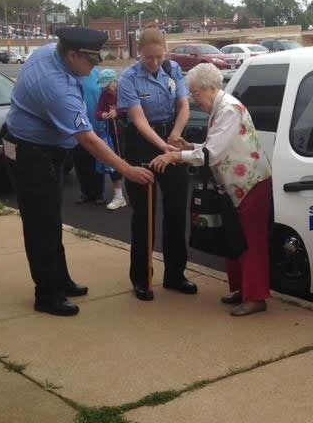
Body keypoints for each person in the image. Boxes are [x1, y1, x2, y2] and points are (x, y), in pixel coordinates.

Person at [2, 27, 153, 317]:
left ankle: (60, 279)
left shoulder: (51, 52)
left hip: (45, 149)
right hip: (30, 153)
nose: (96, 67)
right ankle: (47, 295)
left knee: (51, 217)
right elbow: (87, 138)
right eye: (91, 61)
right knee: (41, 224)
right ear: (71, 55)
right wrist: (126, 169)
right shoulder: (55, 86)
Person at [151, 63, 273, 316]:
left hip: (249, 183)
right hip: (236, 184)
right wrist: (188, 145)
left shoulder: (228, 109)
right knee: (235, 238)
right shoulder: (222, 108)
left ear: (208, 88)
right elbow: (215, 146)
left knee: (250, 242)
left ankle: (256, 296)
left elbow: (211, 153)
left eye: (195, 93)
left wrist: (176, 157)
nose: (195, 100)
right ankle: (242, 290)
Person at [117, 27, 196, 301]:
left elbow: (184, 105)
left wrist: (174, 135)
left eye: (159, 56)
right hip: (141, 142)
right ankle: (141, 278)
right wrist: (162, 146)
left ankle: (175, 275)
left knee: (176, 211)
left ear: (166, 51)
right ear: (139, 52)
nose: (154, 62)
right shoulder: (128, 78)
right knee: (144, 215)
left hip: (169, 136)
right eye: (149, 57)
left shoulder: (173, 69)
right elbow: (138, 120)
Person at [95, 69, 127, 210]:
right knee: (114, 163)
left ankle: (135, 194)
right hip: (112, 135)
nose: (107, 88)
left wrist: (117, 111)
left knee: (131, 161)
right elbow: (97, 112)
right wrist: (103, 114)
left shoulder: (124, 90)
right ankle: (119, 197)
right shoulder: (104, 95)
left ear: (115, 81)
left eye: (108, 84)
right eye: (104, 85)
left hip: (128, 134)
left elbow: (131, 107)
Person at [73, 67, 106, 205]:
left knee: (98, 160)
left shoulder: (99, 75)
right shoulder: (71, 75)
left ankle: (99, 193)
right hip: (77, 127)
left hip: (97, 125)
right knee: (80, 160)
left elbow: (108, 97)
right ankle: (85, 192)